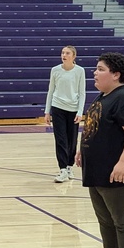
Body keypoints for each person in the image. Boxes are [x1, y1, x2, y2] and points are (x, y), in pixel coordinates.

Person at [78, 52, 124, 248]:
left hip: (118, 176)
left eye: (100, 69)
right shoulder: (103, 96)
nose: (95, 72)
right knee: (106, 221)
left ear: (116, 74)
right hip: (98, 173)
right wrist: (82, 151)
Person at [44, 45, 86, 182]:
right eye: (62, 52)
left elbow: (82, 93)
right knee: (60, 139)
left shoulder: (80, 71)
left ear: (74, 56)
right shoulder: (55, 70)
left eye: (67, 53)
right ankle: (62, 169)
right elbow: (51, 90)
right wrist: (47, 111)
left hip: (73, 109)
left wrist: (80, 112)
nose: (64, 55)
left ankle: (69, 166)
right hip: (58, 107)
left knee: (72, 140)